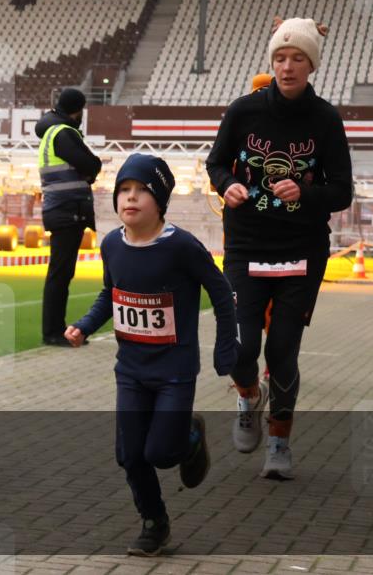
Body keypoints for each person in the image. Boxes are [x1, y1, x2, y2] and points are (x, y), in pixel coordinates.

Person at [64, 154, 237, 557]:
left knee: (160, 453)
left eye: (142, 190)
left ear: (160, 200)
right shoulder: (112, 244)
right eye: (124, 189)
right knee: (129, 455)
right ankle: (154, 522)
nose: (131, 197)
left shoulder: (181, 246)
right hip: (130, 371)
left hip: (174, 370)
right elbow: (111, 293)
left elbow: (221, 292)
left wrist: (226, 347)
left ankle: (189, 436)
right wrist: (85, 325)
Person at [206, 16, 353, 480]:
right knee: (241, 348)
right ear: (272, 62)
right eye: (281, 58)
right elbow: (215, 163)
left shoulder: (326, 119)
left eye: (298, 59)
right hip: (246, 245)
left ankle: (279, 442)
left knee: (282, 351)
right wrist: (227, 184)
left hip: (301, 250)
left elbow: (342, 191)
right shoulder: (243, 111)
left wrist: (305, 193)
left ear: (312, 65)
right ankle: (249, 396)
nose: (288, 67)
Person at [35, 87, 102, 346]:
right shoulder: (64, 133)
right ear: (78, 110)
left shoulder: (51, 132)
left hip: (63, 209)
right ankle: (53, 332)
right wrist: (92, 170)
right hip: (68, 210)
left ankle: (54, 330)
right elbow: (91, 164)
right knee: (60, 274)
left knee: (61, 273)